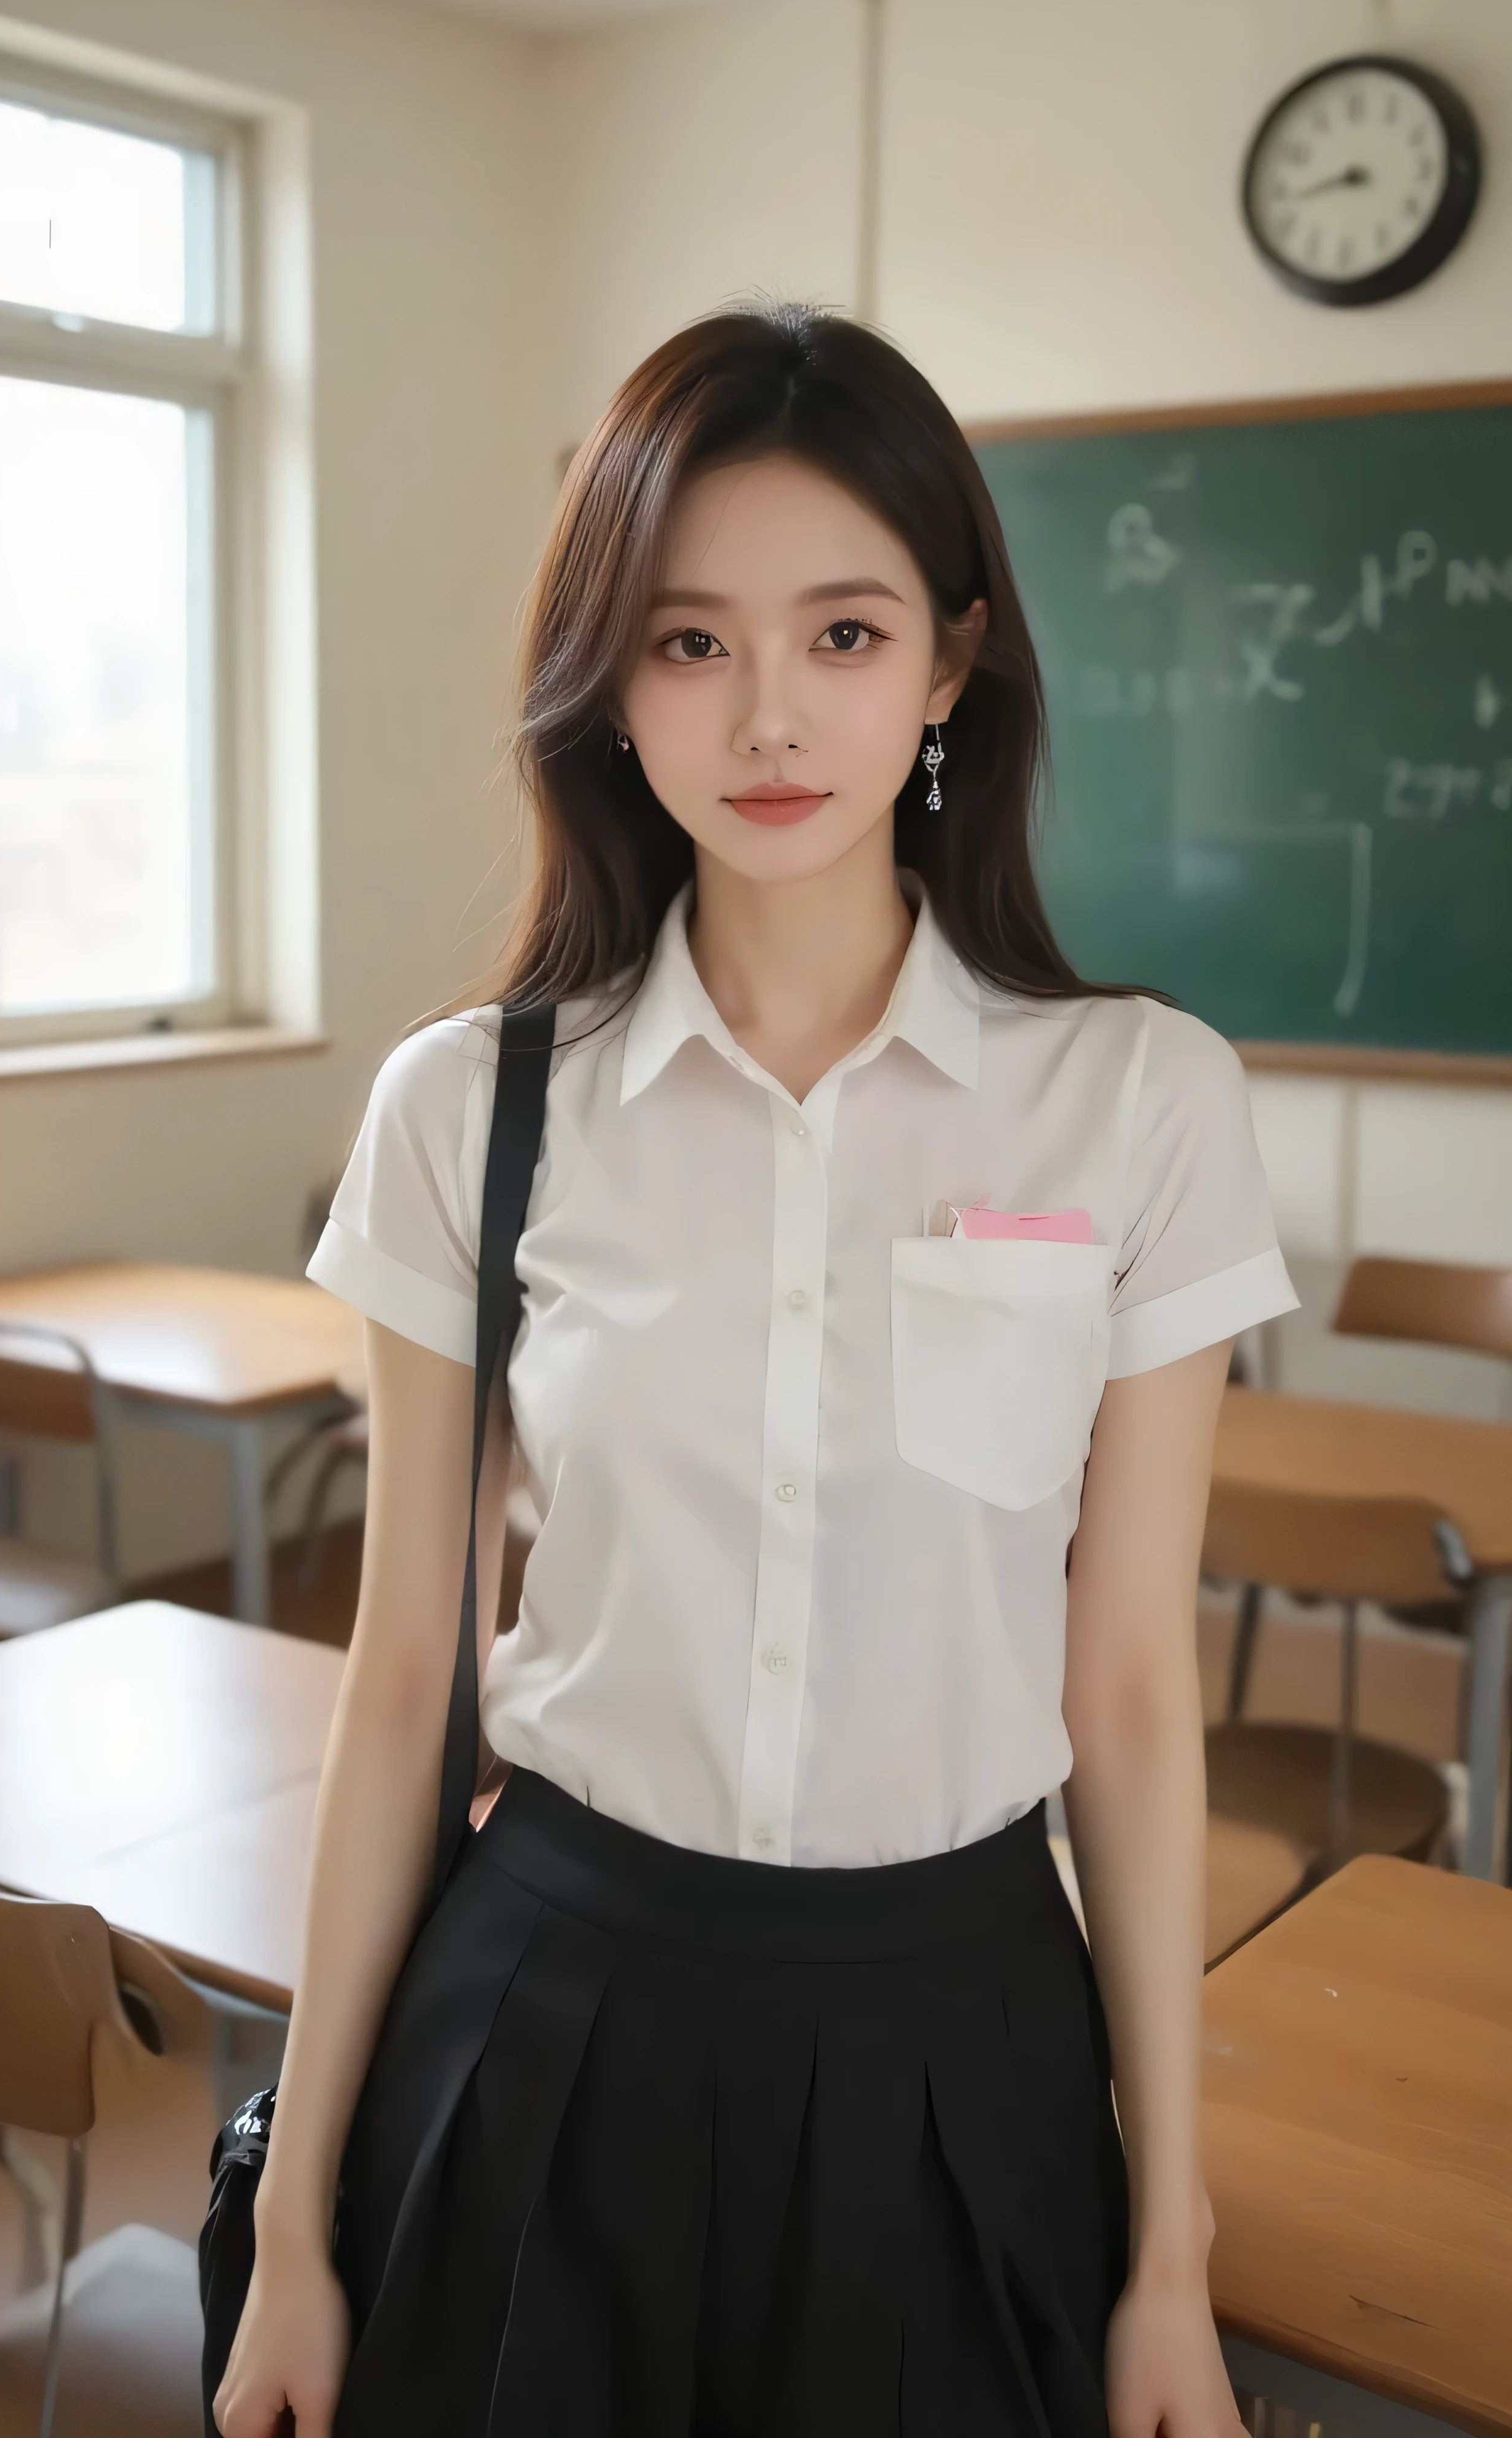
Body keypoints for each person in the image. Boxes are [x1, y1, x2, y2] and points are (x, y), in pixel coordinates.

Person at [212, 303, 1297, 2438]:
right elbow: (405, 1671)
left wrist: (1169, 2254)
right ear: (611, 681)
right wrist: (302, 2230)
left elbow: (1137, 1700)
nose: (772, 714)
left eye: (846, 632)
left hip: (955, 2028)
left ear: (952, 663)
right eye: (693, 642)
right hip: (547, 2003)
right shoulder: (472, 1104)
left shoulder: (1141, 1100)